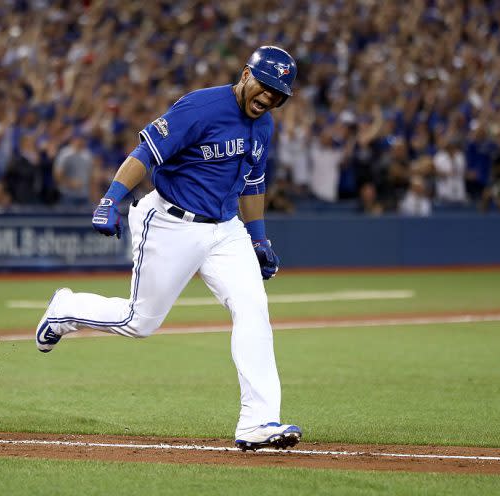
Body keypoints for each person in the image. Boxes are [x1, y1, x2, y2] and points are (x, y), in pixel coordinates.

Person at [35, 46, 302, 452]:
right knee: (139, 322)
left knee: (253, 310)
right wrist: (111, 197)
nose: (269, 97)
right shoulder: (200, 107)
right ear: (246, 74)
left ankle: (257, 422)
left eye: (278, 93)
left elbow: (253, 183)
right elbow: (146, 152)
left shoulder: (263, 126)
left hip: (226, 230)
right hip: (170, 222)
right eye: (264, 86)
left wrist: (259, 238)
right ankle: (65, 309)